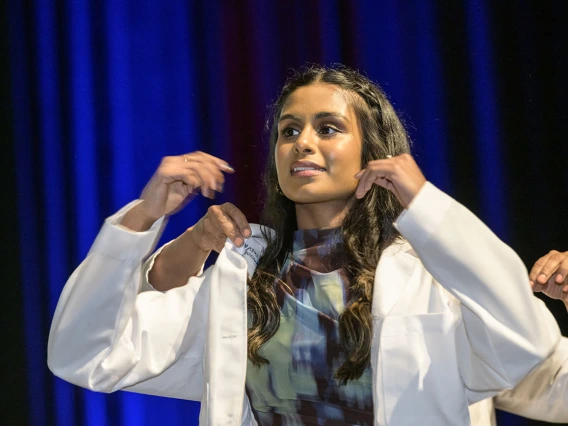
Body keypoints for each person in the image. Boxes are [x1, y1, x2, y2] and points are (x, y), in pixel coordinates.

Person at [48, 66, 565, 425]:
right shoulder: (242, 281)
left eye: (329, 127)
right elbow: (85, 354)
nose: (303, 142)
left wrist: (428, 206)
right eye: (289, 129)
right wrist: (143, 217)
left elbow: (527, 342)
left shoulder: (431, 275)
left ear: (375, 150)